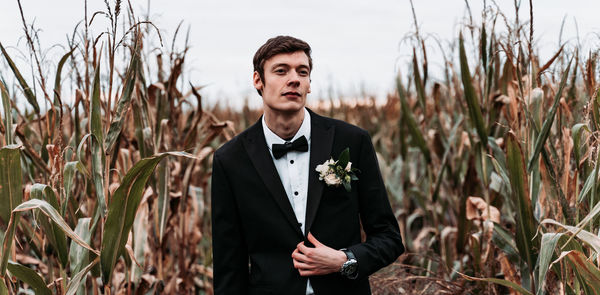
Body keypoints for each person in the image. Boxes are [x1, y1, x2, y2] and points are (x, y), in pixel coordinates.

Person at [211, 35, 404, 295]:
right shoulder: (230, 159)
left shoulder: (352, 141)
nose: (294, 79)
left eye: (303, 72)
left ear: (309, 84)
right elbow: (228, 267)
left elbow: (389, 238)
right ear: (258, 79)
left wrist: (344, 260)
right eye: (281, 71)